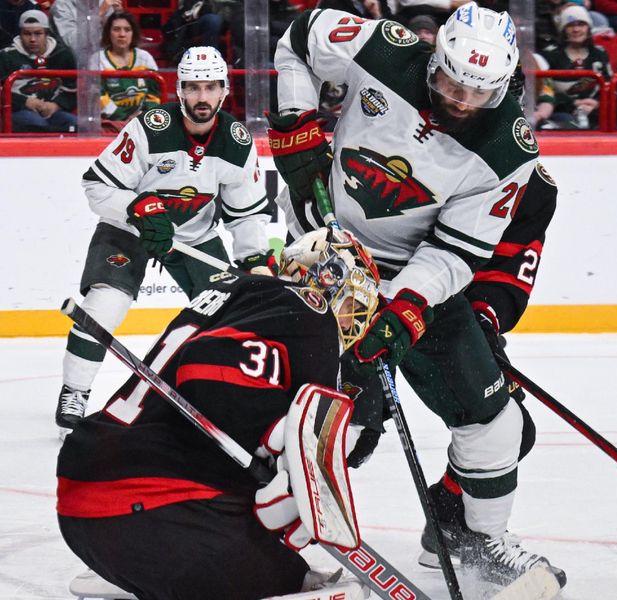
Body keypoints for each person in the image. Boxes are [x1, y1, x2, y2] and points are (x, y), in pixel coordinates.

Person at [271, 1, 566, 593]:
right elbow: (300, 39)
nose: (459, 102)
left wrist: (405, 309)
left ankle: (471, 542)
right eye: (451, 83)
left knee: (497, 423)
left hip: (413, 272)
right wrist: (294, 121)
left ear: (505, 85)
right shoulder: (383, 47)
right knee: (336, 416)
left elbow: (457, 253)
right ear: (433, 59)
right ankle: (266, 525)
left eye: (476, 95)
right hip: (325, 252)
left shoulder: (510, 153)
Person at [57, 229, 380, 600]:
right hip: (155, 504)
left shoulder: (231, 294)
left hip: (86, 502)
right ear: (325, 278)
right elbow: (208, 366)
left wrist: (259, 467)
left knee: (275, 552)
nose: (353, 318)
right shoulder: (310, 308)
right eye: (352, 302)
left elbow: (207, 381)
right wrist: (266, 441)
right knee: (287, 579)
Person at [56, 46, 272, 438]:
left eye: (210, 87)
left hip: (195, 237)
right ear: (179, 89)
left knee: (229, 317)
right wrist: (140, 207)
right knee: (105, 303)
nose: (202, 97)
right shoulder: (149, 127)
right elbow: (96, 186)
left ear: (224, 91)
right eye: (193, 87)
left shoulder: (238, 144)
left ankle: (219, 398)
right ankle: (75, 390)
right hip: (129, 231)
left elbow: (248, 214)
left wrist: (254, 257)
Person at [419, 158, 560, 575]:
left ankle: (450, 524)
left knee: (510, 429)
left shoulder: (534, 186)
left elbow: (512, 266)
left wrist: (485, 316)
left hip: (449, 316)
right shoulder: (419, 144)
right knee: (348, 430)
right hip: (381, 297)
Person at [0, 9, 77, 133]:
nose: (32, 39)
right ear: (20, 34)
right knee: (36, 125)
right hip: (19, 110)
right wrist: (25, 102)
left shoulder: (63, 55)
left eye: (38, 33)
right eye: (27, 34)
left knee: (75, 124)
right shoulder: (7, 56)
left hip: (54, 110)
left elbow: (73, 89)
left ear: (47, 34)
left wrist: (57, 105)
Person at [541, 4, 613, 129]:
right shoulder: (550, 55)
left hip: (595, 109)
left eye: (581, 24)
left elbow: (610, 85)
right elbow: (544, 90)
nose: (576, 29)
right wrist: (574, 103)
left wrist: (596, 103)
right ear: (563, 30)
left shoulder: (600, 53)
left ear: (589, 28)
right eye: (570, 25)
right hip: (560, 111)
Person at [89, 11, 160, 132]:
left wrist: (142, 116)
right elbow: (98, 98)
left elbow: (154, 97)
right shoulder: (97, 59)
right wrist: (125, 118)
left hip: (142, 120)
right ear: (108, 33)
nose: (122, 34)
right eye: (116, 29)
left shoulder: (145, 57)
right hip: (111, 122)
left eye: (127, 30)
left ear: (133, 33)